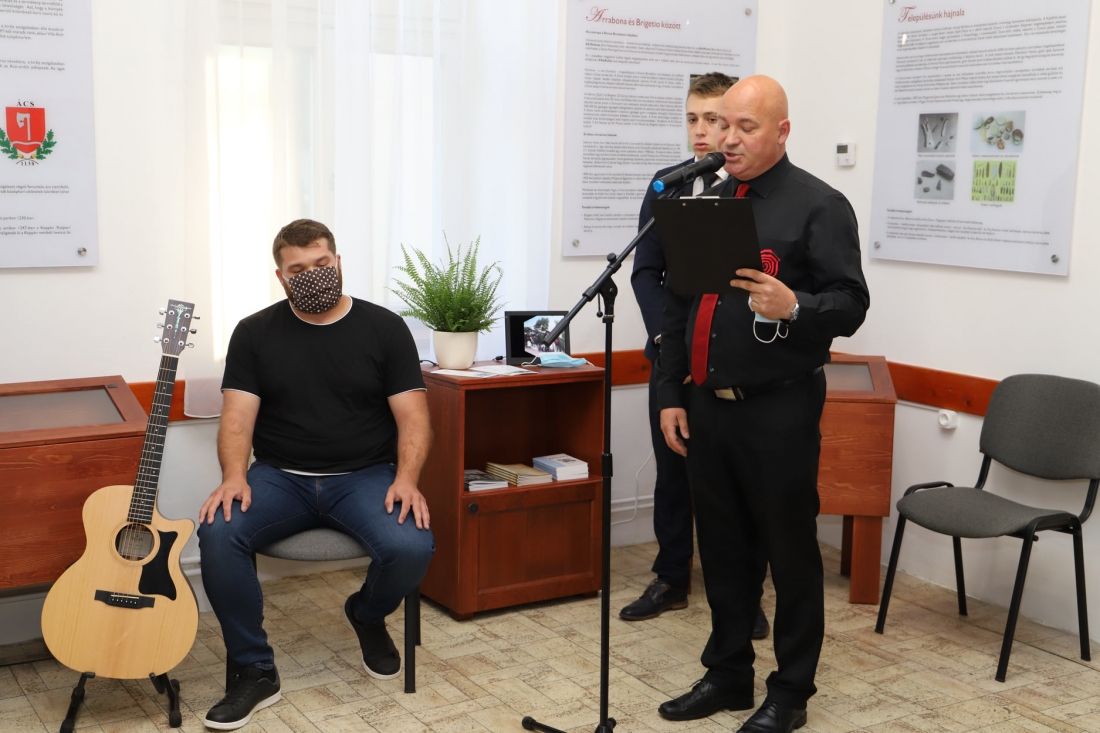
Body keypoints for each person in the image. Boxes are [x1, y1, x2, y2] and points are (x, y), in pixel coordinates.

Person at [654, 76, 869, 733]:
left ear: (781, 131)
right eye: (723, 125)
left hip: (778, 408)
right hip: (708, 406)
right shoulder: (711, 199)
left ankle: (791, 691)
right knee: (722, 548)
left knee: (788, 551)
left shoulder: (819, 205)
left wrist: (795, 304)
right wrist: (671, 390)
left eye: (745, 127)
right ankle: (728, 674)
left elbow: (851, 303)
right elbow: (683, 307)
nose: (728, 138)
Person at [197, 219, 435, 731]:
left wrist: (407, 479)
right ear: (280, 277)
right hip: (280, 477)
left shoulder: (384, 327)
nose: (312, 274)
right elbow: (237, 417)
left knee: (412, 545)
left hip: (365, 476)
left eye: (321, 263)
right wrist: (234, 475)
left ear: (338, 262)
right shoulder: (254, 332)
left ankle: (366, 614)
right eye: (298, 269)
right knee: (218, 531)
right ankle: (255, 670)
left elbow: (413, 417)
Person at [625, 72, 769, 641]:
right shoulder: (668, 184)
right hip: (672, 354)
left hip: (731, 359)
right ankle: (671, 578)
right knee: (673, 473)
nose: (703, 131)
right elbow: (646, 272)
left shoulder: (753, 186)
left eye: (713, 119)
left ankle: (746, 594)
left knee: (739, 483)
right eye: (693, 119)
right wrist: (668, 339)